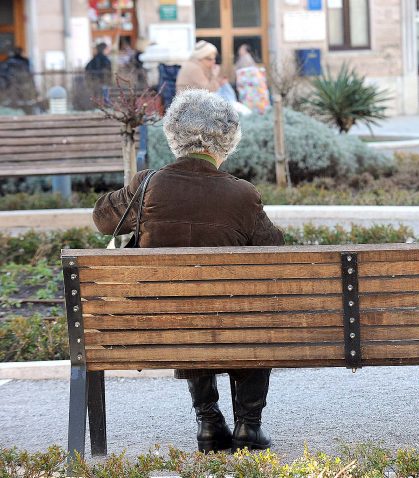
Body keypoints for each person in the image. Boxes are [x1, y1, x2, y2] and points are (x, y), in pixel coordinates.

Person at [92, 89, 283, 453]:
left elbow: (102, 219)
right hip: (234, 323)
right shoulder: (242, 194)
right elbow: (274, 249)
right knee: (253, 313)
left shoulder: (149, 185)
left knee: (187, 310)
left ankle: (209, 421)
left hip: (165, 323)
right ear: (226, 140)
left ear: (174, 136)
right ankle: (248, 425)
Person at [177, 41, 250, 114]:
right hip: (191, 107)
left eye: (214, 59)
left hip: (195, 103)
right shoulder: (194, 68)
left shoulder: (195, 65)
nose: (213, 62)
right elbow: (209, 90)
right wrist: (214, 75)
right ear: (201, 57)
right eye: (210, 59)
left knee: (226, 93)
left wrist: (217, 79)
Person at [234, 44, 270, 114]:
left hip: (248, 85)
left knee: (248, 100)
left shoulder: (246, 58)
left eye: (241, 49)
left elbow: (245, 72)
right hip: (247, 85)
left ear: (245, 50)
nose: (239, 51)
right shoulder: (244, 58)